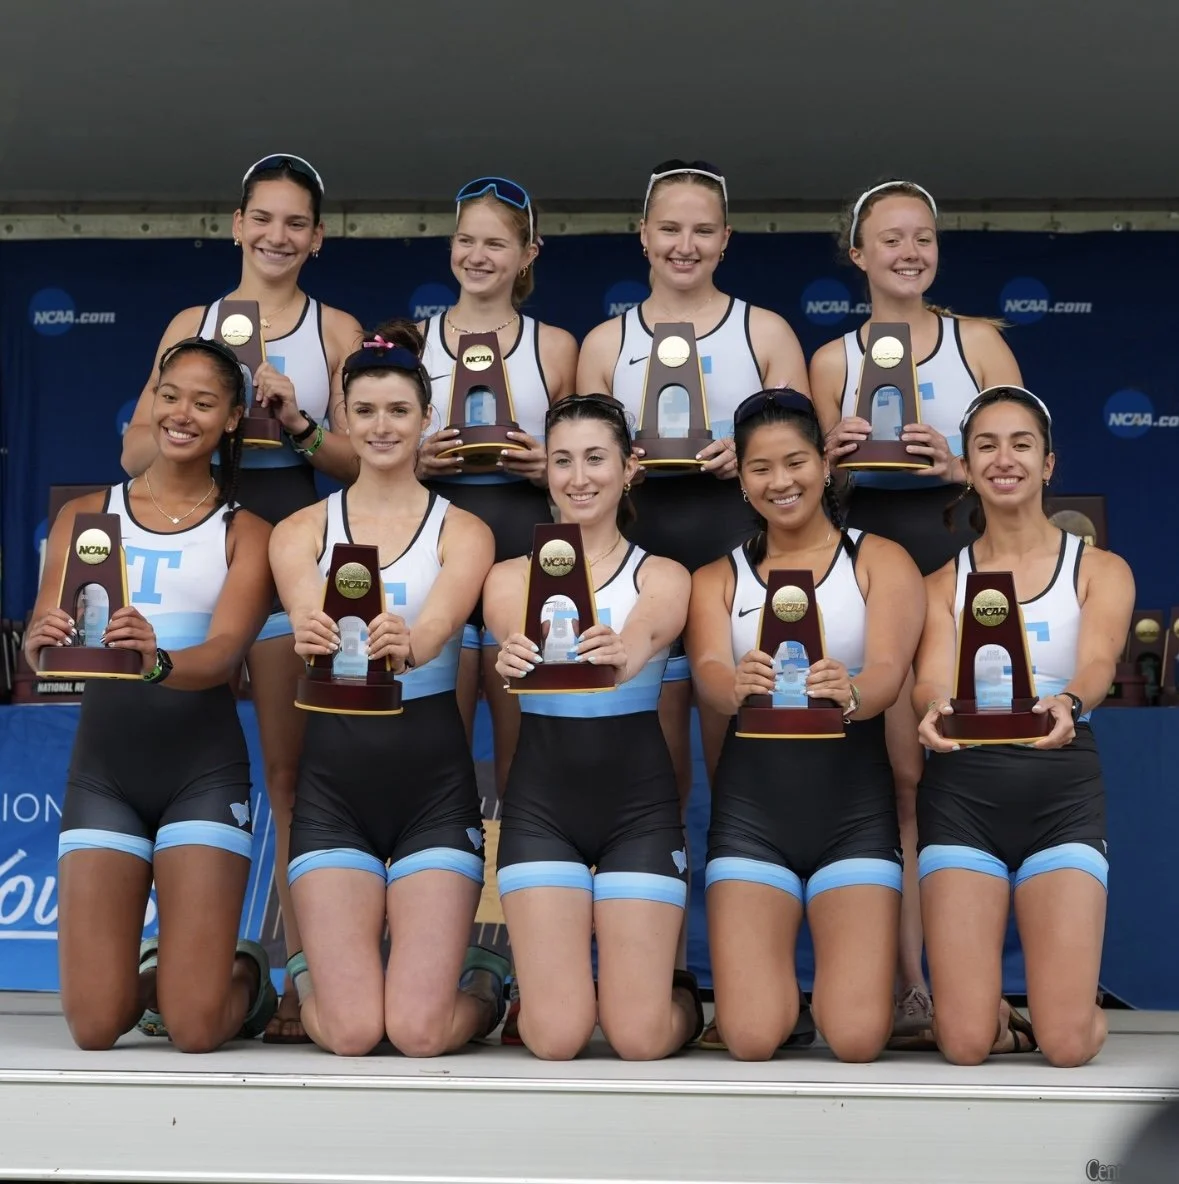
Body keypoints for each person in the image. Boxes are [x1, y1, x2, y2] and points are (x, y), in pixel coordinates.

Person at [120, 154, 364, 1043]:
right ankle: (178, 964)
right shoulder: (191, 323)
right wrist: (197, 419)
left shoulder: (335, 329)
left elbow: (359, 462)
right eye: (264, 218)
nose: (277, 236)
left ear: (317, 238)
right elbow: (132, 455)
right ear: (235, 223)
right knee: (176, 768)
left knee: (294, 781)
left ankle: (304, 983)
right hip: (195, 560)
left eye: (296, 222)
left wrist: (294, 420)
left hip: (292, 557)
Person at [576, 161, 810, 1024]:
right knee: (655, 782)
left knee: (742, 775)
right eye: (668, 229)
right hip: (635, 574)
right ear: (642, 236)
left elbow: (801, 457)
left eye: (701, 230)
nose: (684, 245)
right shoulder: (604, 343)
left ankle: (752, 981)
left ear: (725, 240)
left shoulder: (767, 333)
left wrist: (744, 449)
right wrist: (621, 459)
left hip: (733, 565)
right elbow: (582, 466)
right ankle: (668, 975)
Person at [809, 179, 1024, 1040]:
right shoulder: (831, 362)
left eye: (923, 237)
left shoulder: (978, 346)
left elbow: (1023, 468)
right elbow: (799, 498)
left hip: (966, 578)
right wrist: (831, 464)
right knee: (899, 786)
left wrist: (956, 467)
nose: (909, 251)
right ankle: (911, 988)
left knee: (975, 783)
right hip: (875, 586)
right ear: (855, 255)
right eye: (889, 238)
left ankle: (980, 987)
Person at [24, 338, 277, 1051]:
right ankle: (163, 974)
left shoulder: (245, 532)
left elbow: (225, 655)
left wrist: (154, 661)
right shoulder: (84, 514)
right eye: (171, 396)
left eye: (204, 402)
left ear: (232, 419)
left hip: (202, 772)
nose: (182, 414)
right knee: (96, 1026)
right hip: (105, 772)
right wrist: (38, 640)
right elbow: (44, 647)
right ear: (151, 402)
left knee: (195, 1029)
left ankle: (244, 975)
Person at [269, 322, 507, 1057]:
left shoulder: (463, 529)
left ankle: (486, 983)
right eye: (365, 411)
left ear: (427, 419)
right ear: (342, 417)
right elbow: (309, 611)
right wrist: (312, 629)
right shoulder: (300, 528)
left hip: (432, 795)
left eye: (398, 411)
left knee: (416, 1031)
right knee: (350, 1033)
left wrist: (410, 640)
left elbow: (437, 628)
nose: (381, 426)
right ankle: (301, 977)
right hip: (335, 797)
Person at [685, 389, 924, 1060]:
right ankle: (771, 998)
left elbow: (886, 675)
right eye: (760, 468)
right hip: (751, 823)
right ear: (740, 477)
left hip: (853, 818)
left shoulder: (879, 560)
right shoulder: (716, 577)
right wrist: (732, 687)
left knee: (853, 1038)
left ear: (824, 463)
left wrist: (847, 691)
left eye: (794, 462)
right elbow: (706, 671)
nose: (779, 482)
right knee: (752, 1038)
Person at [913, 385, 1133, 1067]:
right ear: (967, 464)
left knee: (1067, 1045)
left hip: (1059, 798)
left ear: (1046, 464)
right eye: (985, 445)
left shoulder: (1099, 569)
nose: (1002, 458)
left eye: (1020, 444)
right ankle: (998, 1018)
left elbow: (1097, 661)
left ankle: (1066, 1007)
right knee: (963, 1044)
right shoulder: (938, 581)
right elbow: (928, 676)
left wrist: (1067, 700)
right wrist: (929, 707)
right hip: (961, 800)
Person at [485, 394, 704, 1061]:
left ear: (630, 467)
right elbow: (511, 631)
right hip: (540, 809)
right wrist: (516, 652)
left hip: (637, 809)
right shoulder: (506, 576)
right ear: (543, 472)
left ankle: (682, 997)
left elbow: (645, 631)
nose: (578, 477)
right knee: (554, 1038)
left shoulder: (661, 574)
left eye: (595, 459)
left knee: (636, 1037)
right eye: (561, 461)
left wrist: (621, 651)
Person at [416, 176, 578, 794]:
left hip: (526, 547)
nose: (477, 257)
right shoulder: (410, 343)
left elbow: (596, 468)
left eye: (495, 244)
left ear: (528, 254)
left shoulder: (557, 346)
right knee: (439, 754)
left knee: (525, 758)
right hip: (433, 550)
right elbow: (370, 461)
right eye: (465, 241)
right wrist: (415, 466)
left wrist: (551, 470)